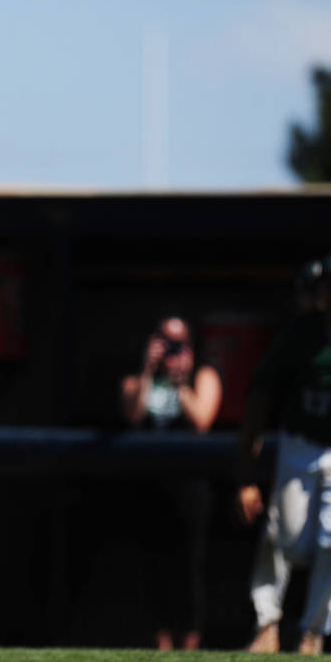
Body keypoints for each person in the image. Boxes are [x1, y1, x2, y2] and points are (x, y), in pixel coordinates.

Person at [238, 254, 331, 655]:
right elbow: (260, 395)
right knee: (287, 538)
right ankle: (268, 623)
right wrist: (245, 474)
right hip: (301, 444)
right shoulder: (303, 333)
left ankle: (312, 632)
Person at [120, 316, 222, 650]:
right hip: (150, 486)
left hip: (191, 487)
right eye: (165, 341)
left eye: (180, 343)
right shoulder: (139, 380)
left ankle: (189, 649)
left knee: (189, 570)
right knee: (153, 570)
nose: (172, 350)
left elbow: (202, 421)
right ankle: (160, 648)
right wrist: (149, 370)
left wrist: (180, 380)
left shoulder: (202, 376)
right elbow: (132, 414)